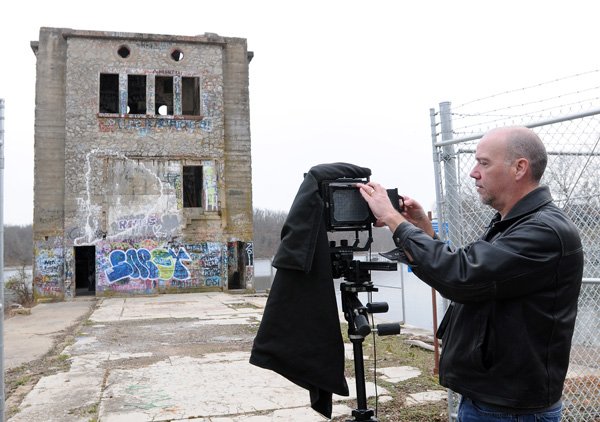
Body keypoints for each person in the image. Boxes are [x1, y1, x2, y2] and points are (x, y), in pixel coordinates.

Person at [358, 126, 583, 421]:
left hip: (510, 411)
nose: (473, 172)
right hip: (491, 400)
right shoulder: (514, 223)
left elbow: (461, 276)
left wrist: (393, 219)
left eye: (484, 163)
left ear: (520, 168)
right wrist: (425, 230)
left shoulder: (543, 231)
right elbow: (471, 275)